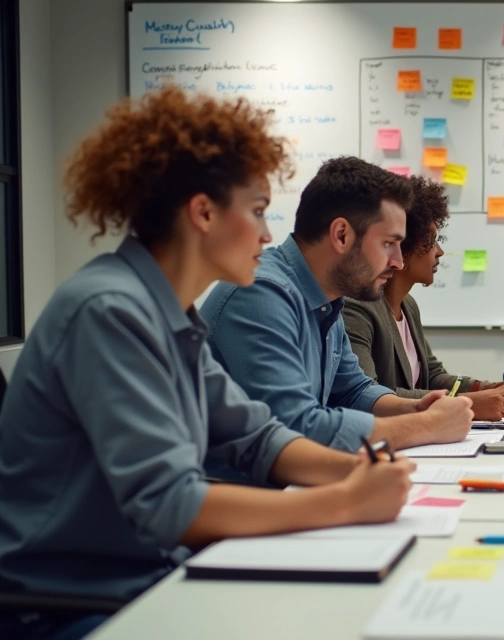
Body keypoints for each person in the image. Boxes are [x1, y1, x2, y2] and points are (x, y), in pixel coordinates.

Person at [0, 88, 416, 640]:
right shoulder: (109, 312)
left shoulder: (170, 315)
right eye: (258, 211)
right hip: (73, 605)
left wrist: (358, 470)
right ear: (202, 212)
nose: (269, 235)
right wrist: (344, 503)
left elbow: (258, 437)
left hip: (146, 576)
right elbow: (171, 503)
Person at [201, 157, 473, 465]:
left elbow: (353, 390)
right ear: (342, 235)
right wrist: (425, 426)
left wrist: (417, 408)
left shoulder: (326, 297)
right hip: (241, 496)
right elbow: (296, 428)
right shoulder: (260, 294)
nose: (398, 261)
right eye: (388, 243)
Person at [343, 176, 504, 419]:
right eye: (432, 240)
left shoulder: (408, 306)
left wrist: (495, 389)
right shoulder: (357, 307)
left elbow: (434, 376)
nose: (440, 252)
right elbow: (372, 396)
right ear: (403, 246)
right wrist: (474, 402)